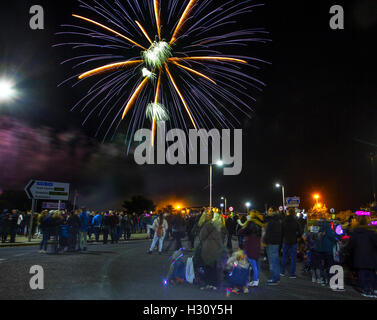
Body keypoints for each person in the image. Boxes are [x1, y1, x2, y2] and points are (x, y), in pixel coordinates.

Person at [347, 215, 377, 298]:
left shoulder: (355, 232)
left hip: (359, 256)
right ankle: (372, 289)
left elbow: (350, 245)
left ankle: (365, 290)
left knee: (362, 273)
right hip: (371, 256)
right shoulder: (371, 232)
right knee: (371, 273)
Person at [198, 211, 226, 290]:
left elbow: (202, 236)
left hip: (207, 247)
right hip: (217, 248)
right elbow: (223, 238)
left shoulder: (208, 225)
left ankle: (207, 283)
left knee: (207, 266)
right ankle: (214, 284)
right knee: (215, 266)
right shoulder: (220, 226)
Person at [238, 210, 264, 287]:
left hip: (250, 244)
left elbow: (241, 231)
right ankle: (256, 279)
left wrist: (244, 224)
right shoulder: (259, 223)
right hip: (257, 243)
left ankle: (255, 280)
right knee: (256, 263)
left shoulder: (250, 222)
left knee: (252, 263)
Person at [280, 208, 302, 278]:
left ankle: (282, 272)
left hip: (285, 241)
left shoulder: (284, 221)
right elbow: (300, 232)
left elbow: (281, 232)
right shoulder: (296, 221)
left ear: (288, 213)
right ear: (294, 213)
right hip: (293, 241)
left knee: (284, 257)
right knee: (293, 258)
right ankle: (292, 274)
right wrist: (297, 236)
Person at [263, 208, 282, 285]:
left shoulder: (271, 223)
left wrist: (265, 241)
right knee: (276, 261)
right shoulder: (279, 222)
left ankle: (274, 279)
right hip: (276, 243)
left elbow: (268, 234)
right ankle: (277, 278)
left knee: (273, 262)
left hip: (271, 243)